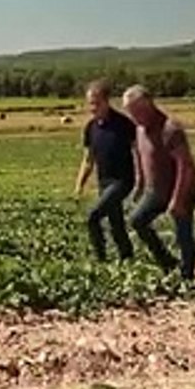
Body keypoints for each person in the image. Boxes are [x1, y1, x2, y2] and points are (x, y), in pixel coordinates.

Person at [121, 84, 195, 281]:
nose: (135, 117)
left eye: (137, 111)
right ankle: (167, 262)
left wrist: (178, 199)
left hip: (181, 185)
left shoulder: (170, 129)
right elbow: (139, 155)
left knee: (183, 231)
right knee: (137, 221)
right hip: (155, 189)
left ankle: (187, 275)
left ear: (149, 104)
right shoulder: (139, 129)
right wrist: (140, 184)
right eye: (131, 113)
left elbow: (185, 165)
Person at [74, 80, 140, 262]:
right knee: (115, 222)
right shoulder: (90, 128)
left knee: (93, 217)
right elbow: (88, 160)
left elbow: (140, 152)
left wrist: (143, 179)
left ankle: (100, 260)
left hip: (123, 181)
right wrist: (79, 184)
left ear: (106, 101)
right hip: (104, 181)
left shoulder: (124, 124)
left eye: (96, 103)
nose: (92, 108)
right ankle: (127, 257)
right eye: (90, 103)